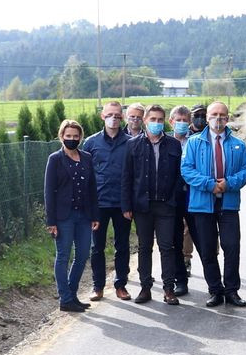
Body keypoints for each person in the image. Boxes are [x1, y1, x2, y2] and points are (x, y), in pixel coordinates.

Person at [181, 101, 246, 308]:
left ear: (227, 118)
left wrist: (229, 183)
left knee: (232, 247)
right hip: (203, 205)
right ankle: (215, 290)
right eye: (214, 114)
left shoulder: (238, 144)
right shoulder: (193, 143)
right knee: (208, 249)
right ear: (207, 117)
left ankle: (232, 291)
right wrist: (210, 185)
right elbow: (186, 170)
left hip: (229, 205)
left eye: (222, 115)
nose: (218, 118)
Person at [123, 104, 184, 305]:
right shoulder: (133, 145)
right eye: (153, 119)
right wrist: (127, 206)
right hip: (143, 206)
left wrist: (173, 199)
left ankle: (169, 289)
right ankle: (145, 287)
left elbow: (179, 176)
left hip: (166, 205)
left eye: (160, 120)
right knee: (144, 247)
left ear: (164, 121)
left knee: (167, 247)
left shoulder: (173, 145)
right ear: (145, 120)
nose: (156, 123)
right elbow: (127, 177)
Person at [44, 119, 100, 313]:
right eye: (68, 136)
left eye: (76, 136)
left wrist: (95, 215)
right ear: (61, 136)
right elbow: (49, 192)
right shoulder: (55, 159)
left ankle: (72, 294)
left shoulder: (86, 158)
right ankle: (65, 299)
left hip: (84, 215)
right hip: (63, 217)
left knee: (83, 254)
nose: (72, 139)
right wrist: (51, 221)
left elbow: (92, 188)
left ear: (80, 138)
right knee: (63, 256)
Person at [81, 100, 132, 301]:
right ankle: (98, 286)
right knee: (97, 247)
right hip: (98, 204)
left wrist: (130, 203)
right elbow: (85, 176)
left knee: (123, 246)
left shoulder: (130, 142)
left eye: (117, 115)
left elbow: (134, 175)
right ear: (102, 116)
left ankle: (121, 285)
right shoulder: (91, 143)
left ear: (122, 117)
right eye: (110, 115)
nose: (114, 118)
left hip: (122, 204)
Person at [168, 104, 195, 296]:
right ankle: (180, 280)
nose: (182, 123)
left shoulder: (196, 141)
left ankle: (215, 284)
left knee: (204, 239)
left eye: (185, 120)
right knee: (176, 240)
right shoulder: (166, 142)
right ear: (171, 122)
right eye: (178, 120)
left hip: (194, 196)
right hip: (174, 198)